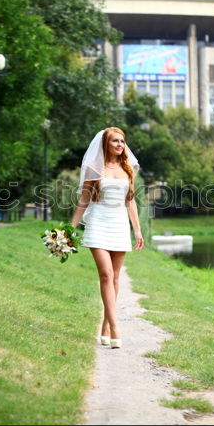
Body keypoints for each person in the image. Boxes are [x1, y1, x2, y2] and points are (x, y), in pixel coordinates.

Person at [71, 127, 144, 349]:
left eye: (122, 141)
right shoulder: (95, 167)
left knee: (115, 278)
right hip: (98, 224)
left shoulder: (127, 168)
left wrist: (138, 230)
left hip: (120, 226)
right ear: (106, 143)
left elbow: (130, 201)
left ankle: (104, 325)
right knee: (106, 273)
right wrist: (69, 228)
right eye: (115, 141)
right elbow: (84, 200)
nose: (120, 145)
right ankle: (115, 327)